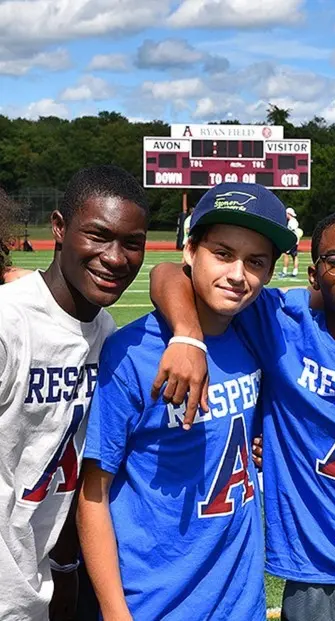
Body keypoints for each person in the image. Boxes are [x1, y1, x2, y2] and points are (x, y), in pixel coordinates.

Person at [149, 209, 335, 621]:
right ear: (313, 274)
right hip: (315, 572)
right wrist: (187, 334)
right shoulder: (282, 324)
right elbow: (168, 272)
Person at [76, 183, 296, 620]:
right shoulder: (133, 352)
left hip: (239, 602)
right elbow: (93, 494)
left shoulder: (255, 329)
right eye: (223, 253)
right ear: (190, 250)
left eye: (256, 262)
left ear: (270, 271)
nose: (237, 274)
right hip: (154, 602)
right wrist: (117, 613)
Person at [0, 165, 148, 621]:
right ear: (59, 229)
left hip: (38, 586)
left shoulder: (104, 332)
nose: (116, 257)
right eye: (98, 236)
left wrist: (65, 568)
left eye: (132, 243)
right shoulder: (10, 324)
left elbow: (65, 458)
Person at [280, 206, 301, 277]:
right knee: (294, 256)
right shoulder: (293, 221)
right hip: (294, 241)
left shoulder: (292, 222)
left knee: (286, 255)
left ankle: (285, 271)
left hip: (292, 241)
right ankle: (295, 271)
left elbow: (291, 231)